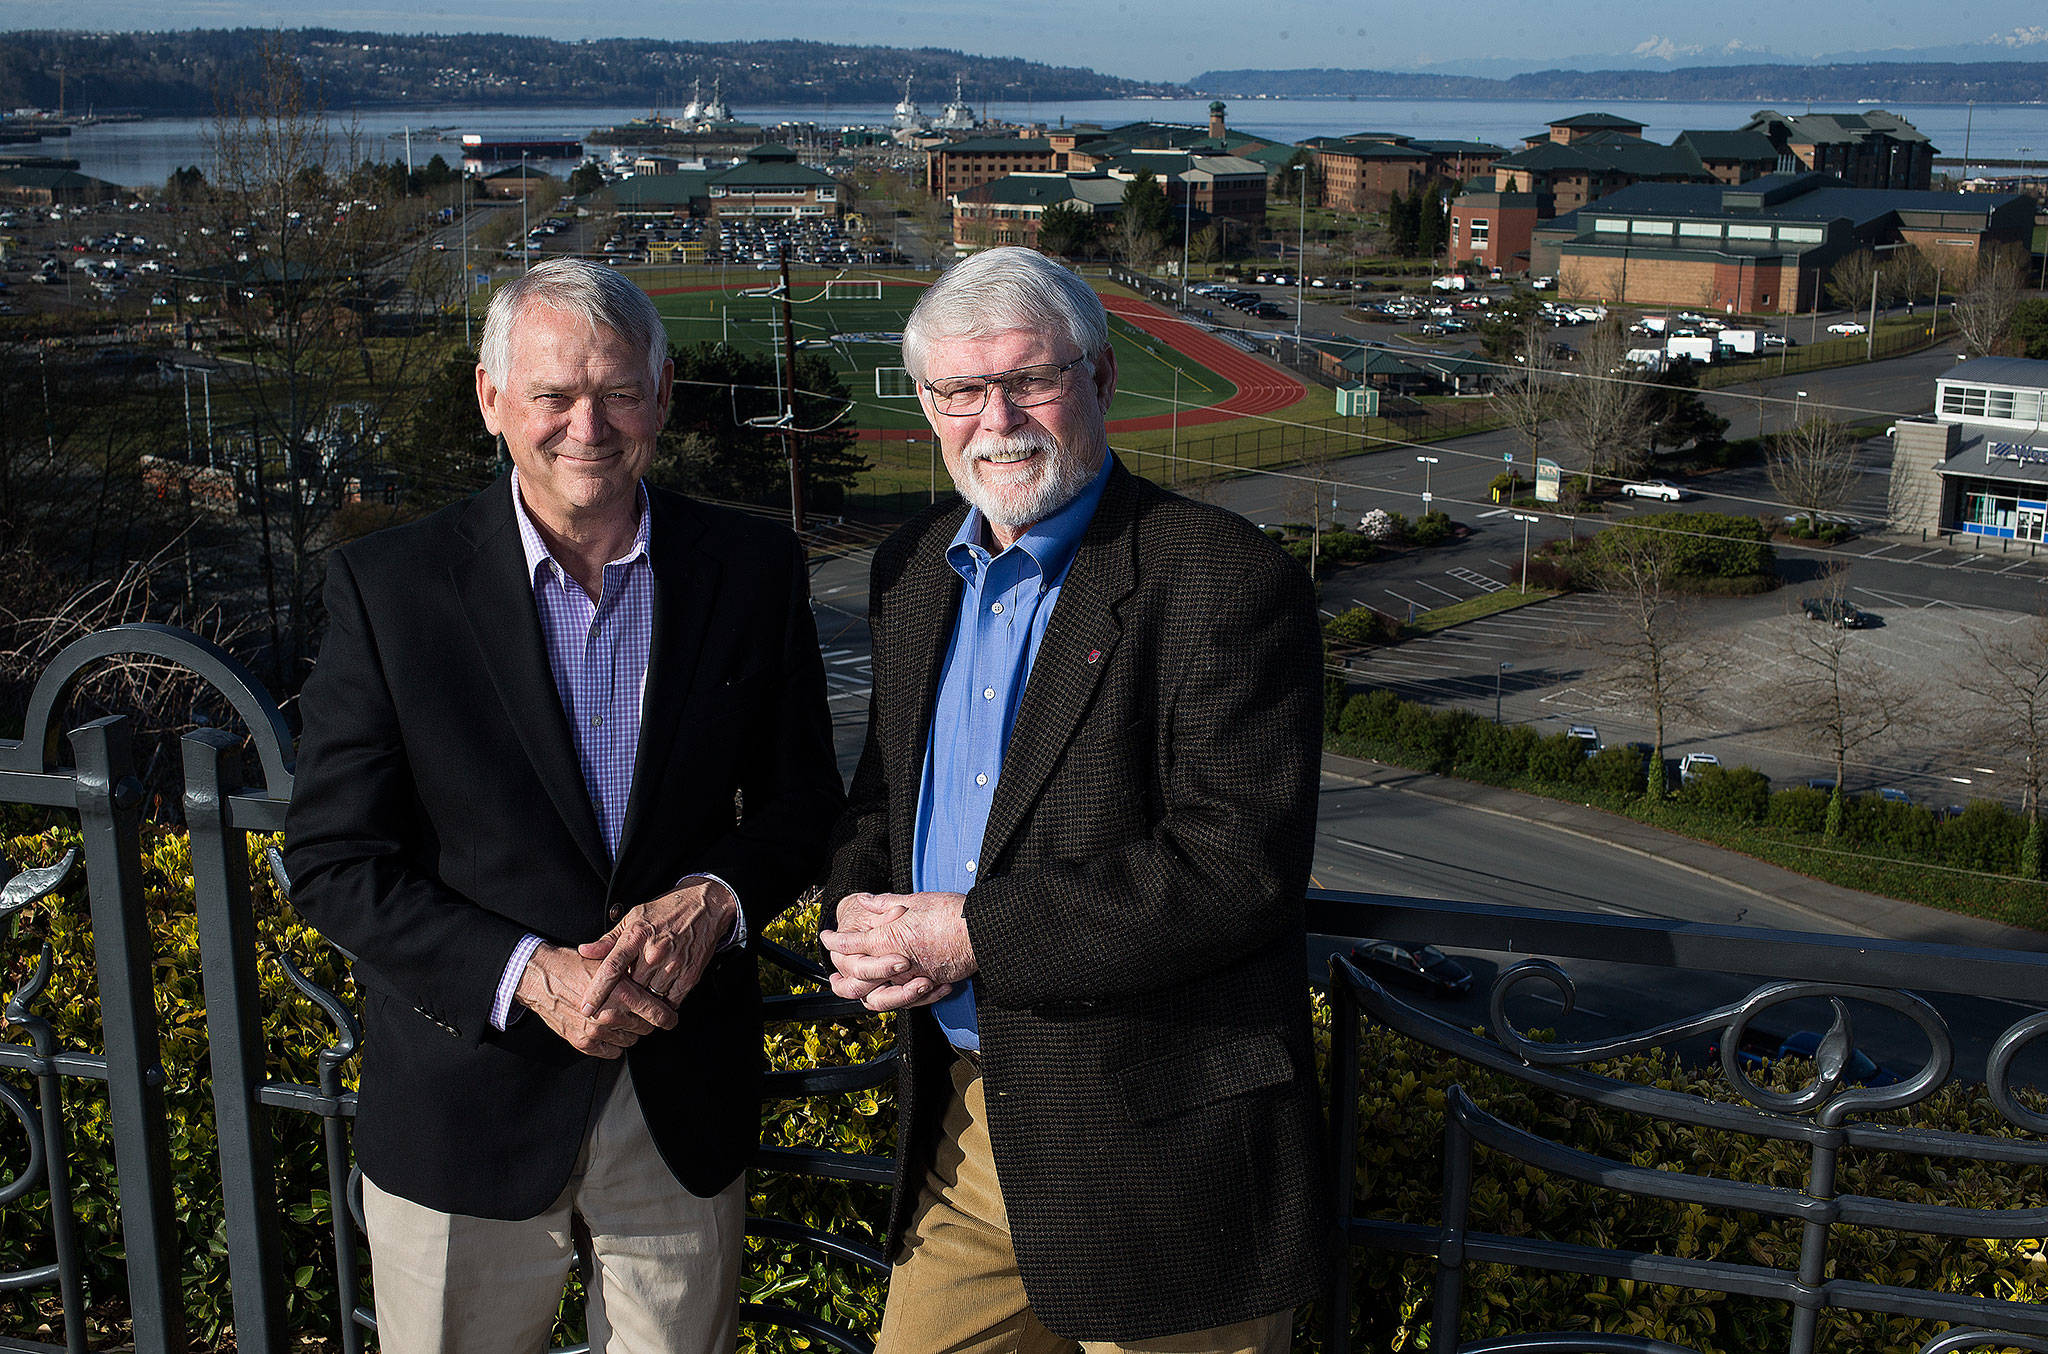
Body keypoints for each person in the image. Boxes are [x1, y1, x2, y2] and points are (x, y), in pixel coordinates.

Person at [284, 257, 843, 1354]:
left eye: (618, 390)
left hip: (676, 1095)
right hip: (465, 1101)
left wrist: (716, 897)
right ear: (492, 402)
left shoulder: (751, 567)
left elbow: (802, 798)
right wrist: (528, 974)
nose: (587, 424)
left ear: (663, 395)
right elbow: (335, 860)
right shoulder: (388, 589)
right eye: (552, 395)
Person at [819, 247, 1327, 1354]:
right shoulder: (909, 569)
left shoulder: (1224, 579)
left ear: (1098, 380)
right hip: (967, 1125)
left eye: (1030, 380)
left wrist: (966, 934)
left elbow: (1232, 866)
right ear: (926, 404)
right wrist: (861, 911)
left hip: (1162, 1142)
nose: (996, 418)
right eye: (961, 390)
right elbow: (881, 799)